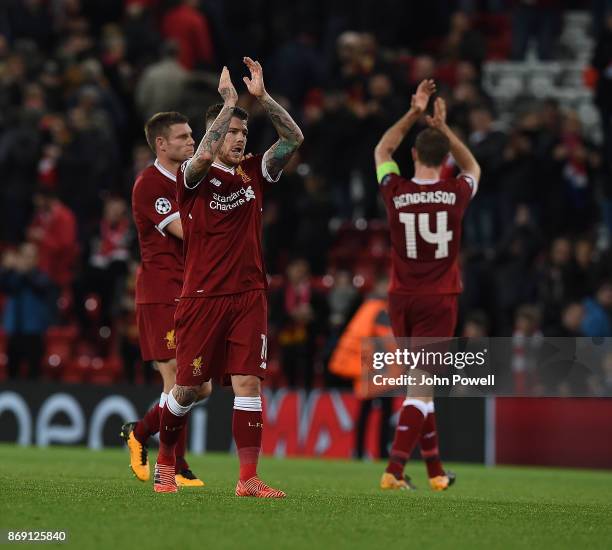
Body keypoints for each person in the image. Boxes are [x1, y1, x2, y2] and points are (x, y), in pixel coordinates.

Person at [153, 59, 303, 496]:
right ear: (216, 134)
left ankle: (248, 478)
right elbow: (201, 155)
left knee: (248, 381)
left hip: (249, 295)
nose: (240, 139)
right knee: (186, 388)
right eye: (233, 133)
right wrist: (229, 105)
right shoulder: (192, 178)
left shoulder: (256, 171)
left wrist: (261, 99)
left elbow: (293, 137)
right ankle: (166, 462)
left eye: (243, 133)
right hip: (202, 297)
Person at [374, 80, 481, 491]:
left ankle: (436, 474)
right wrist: (445, 128)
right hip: (439, 299)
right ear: (444, 159)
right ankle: (394, 471)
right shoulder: (456, 193)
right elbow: (473, 167)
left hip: (401, 297)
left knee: (421, 385)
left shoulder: (394, 189)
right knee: (421, 386)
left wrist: (414, 113)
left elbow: (383, 150)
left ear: (414, 155)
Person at [120, 111, 211, 488]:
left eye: (192, 135)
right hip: (161, 294)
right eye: (183, 137)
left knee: (196, 385)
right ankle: (173, 463)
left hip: (189, 291)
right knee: (179, 381)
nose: (192, 141)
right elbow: (185, 232)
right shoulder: (149, 184)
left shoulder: (192, 178)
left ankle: (141, 433)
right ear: (161, 144)